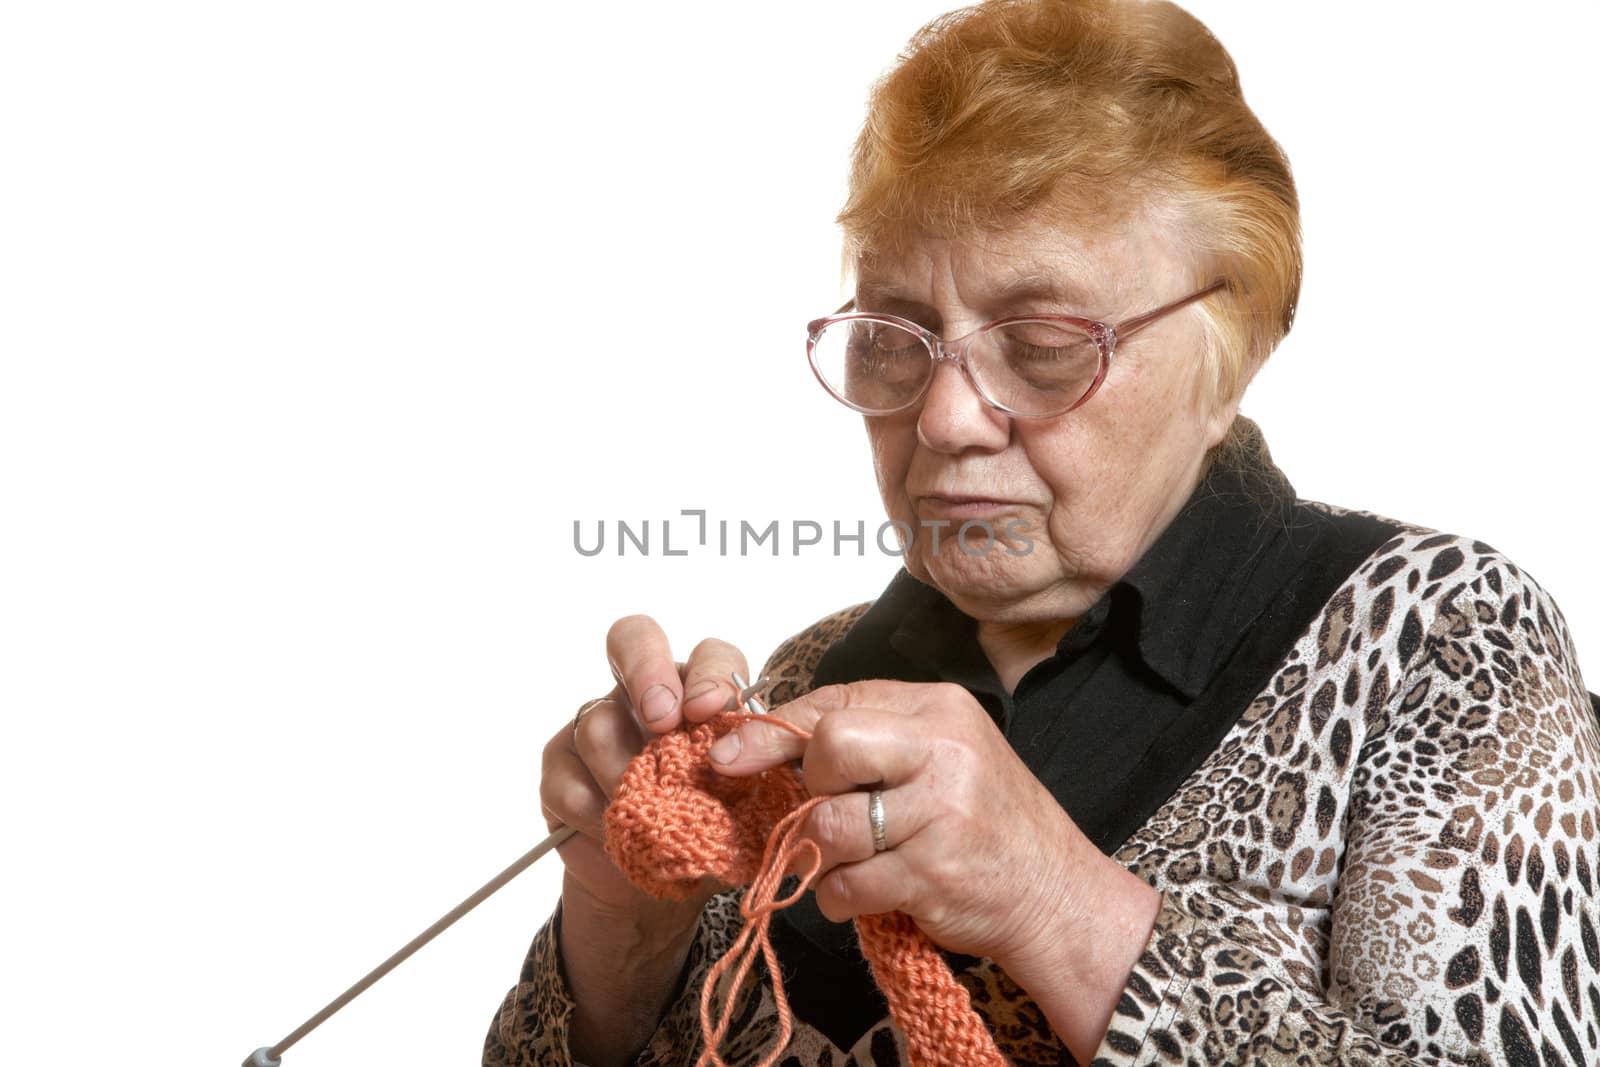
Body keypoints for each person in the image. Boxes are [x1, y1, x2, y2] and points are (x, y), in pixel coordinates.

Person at [485, 0, 1600, 1063]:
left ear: (1233, 347)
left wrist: (1050, 898)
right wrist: (619, 913)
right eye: (896, 336)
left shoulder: (1439, 636)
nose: (941, 416)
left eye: (1044, 340)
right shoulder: (813, 672)